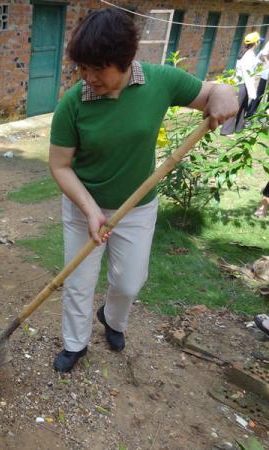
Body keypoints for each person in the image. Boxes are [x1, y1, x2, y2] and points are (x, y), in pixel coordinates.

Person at [48, 8, 238, 373]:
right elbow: (59, 166)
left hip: (137, 208)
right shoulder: (74, 103)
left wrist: (224, 92)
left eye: (97, 69)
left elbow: (212, 92)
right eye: (82, 68)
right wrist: (90, 210)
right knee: (79, 282)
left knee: (130, 282)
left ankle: (112, 319)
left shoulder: (160, 81)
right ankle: (75, 344)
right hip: (83, 206)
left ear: (125, 61)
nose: (88, 77)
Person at [221, 31, 261, 135]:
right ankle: (226, 131)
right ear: (256, 42)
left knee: (243, 107)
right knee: (235, 108)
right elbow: (247, 75)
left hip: (243, 84)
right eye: (258, 41)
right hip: (242, 84)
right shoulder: (248, 55)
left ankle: (239, 127)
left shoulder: (247, 53)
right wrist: (252, 91)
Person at [246, 36, 269, 117]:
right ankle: (250, 113)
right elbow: (264, 54)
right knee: (260, 92)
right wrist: (267, 62)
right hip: (266, 72)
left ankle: (266, 115)